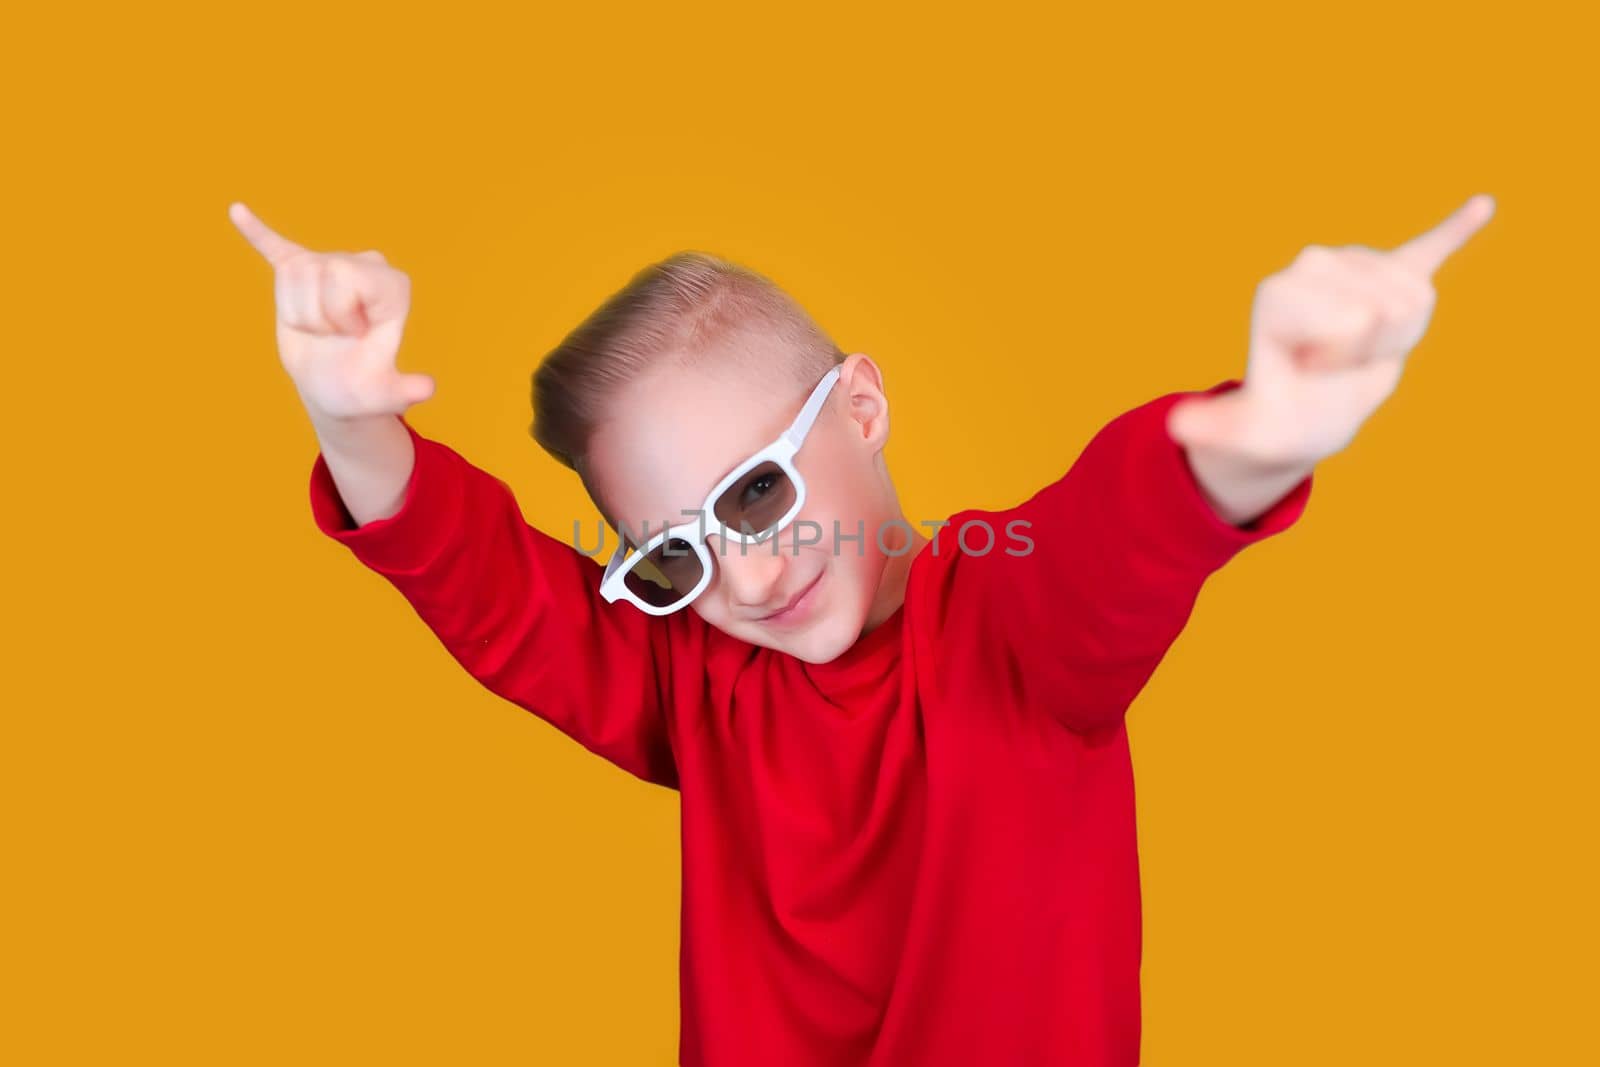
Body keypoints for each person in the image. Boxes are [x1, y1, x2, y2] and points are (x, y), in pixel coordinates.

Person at [229, 193, 1495, 1066]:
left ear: (863, 406)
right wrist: (350, 424)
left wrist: (1258, 435)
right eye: (677, 549)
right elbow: (497, 592)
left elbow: (1114, 538)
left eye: (758, 488)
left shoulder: (1007, 628)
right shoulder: (695, 677)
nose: (746, 567)